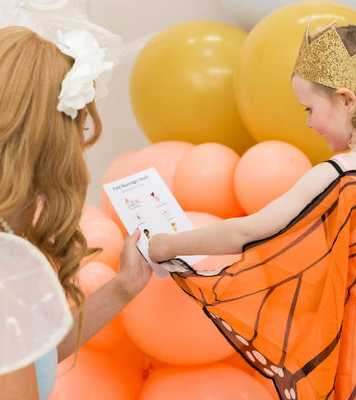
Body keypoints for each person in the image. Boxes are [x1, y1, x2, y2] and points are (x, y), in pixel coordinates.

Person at [149, 20, 356, 400]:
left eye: (309, 108)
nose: (308, 123)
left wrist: (166, 244)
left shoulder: (341, 175)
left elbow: (244, 232)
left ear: (347, 99)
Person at [0, 26, 152, 400]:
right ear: (53, 138)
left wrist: (122, 287)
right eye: (80, 124)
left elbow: (19, 358)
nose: (82, 141)